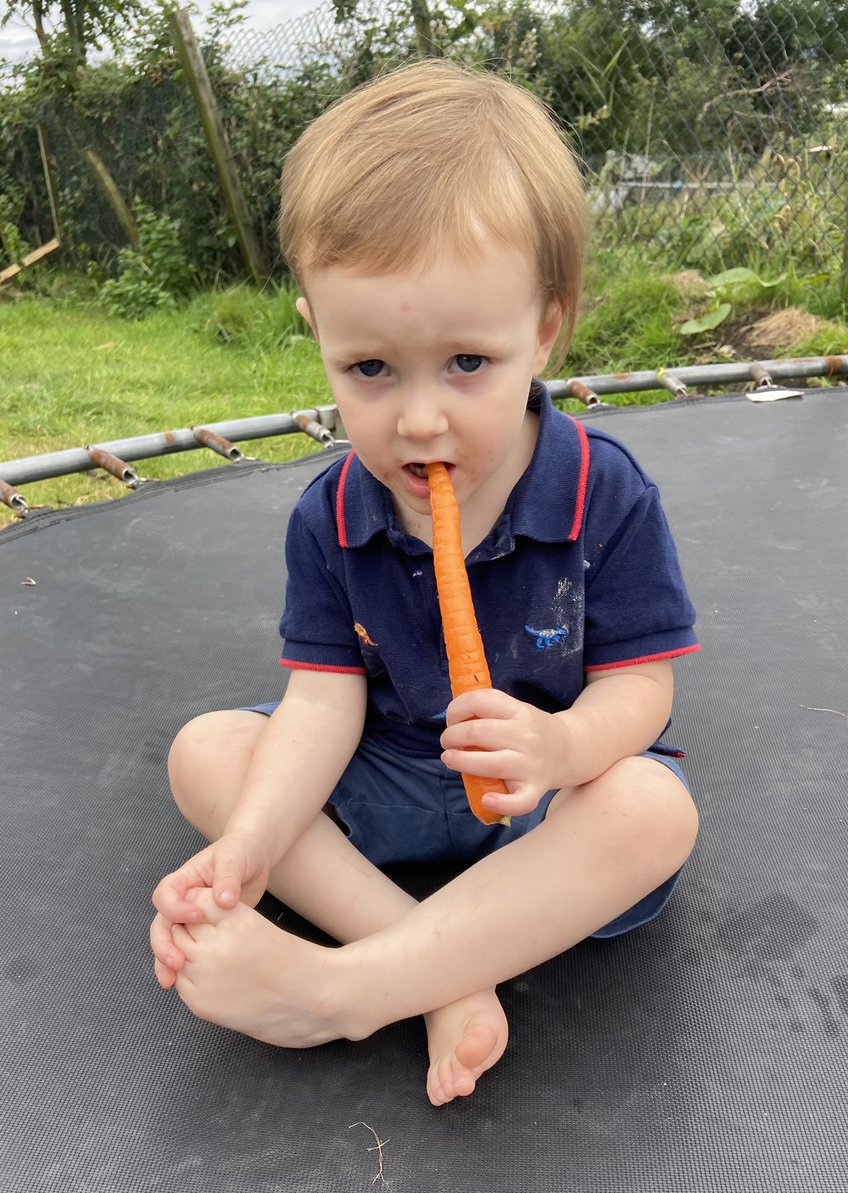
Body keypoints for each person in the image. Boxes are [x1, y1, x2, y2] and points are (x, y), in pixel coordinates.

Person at [150, 59, 700, 1107]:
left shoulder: (602, 492)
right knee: (209, 755)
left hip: (540, 810)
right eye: (370, 371)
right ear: (317, 331)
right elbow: (322, 697)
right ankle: (434, 967)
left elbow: (642, 688)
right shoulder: (331, 514)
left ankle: (349, 989)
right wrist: (252, 846)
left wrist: (561, 745)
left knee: (648, 811)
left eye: (465, 364)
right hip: (389, 782)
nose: (416, 420)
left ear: (544, 328)